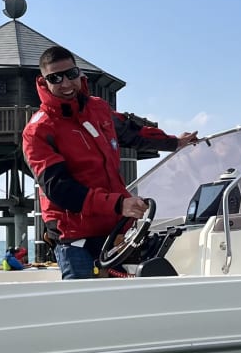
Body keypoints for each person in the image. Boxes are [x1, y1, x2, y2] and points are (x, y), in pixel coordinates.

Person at [22, 45, 198, 279]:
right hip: (76, 239)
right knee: (87, 309)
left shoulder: (99, 108)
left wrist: (174, 143)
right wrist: (118, 205)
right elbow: (59, 190)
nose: (66, 84)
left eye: (71, 74)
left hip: (116, 234)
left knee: (130, 304)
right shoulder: (38, 131)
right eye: (55, 78)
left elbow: (133, 132)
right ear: (43, 81)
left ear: (79, 73)